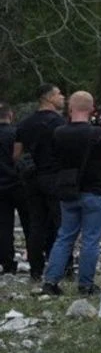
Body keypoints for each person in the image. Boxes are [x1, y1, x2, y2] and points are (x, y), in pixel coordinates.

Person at [40, 92, 101, 297]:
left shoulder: (59, 132)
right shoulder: (96, 133)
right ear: (92, 109)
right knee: (90, 239)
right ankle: (85, 284)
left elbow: (54, 158)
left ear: (70, 108)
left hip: (69, 190)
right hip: (95, 191)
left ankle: (51, 281)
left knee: (64, 237)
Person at [13, 84, 66, 281]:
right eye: (59, 94)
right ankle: (62, 265)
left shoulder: (25, 123)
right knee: (60, 223)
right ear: (48, 97)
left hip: (32, 178)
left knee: (36, 224)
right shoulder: (59, 122)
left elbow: (16, 154)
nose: (63, 97)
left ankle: (35, 269)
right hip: (54, 176)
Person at [0, 102, 25, 275]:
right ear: (10, 115)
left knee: (3, 226)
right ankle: (36, 260)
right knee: (30, 223)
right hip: (18, 183)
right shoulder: (17, 133)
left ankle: (7, 262)